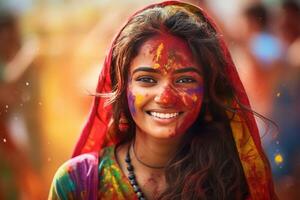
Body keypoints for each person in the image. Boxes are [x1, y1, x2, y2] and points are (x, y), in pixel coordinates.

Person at [48, 1, 277, 199]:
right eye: (147, 79)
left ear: (207, 92)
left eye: (185, 80)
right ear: (122, 86)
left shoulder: (234, 181)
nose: (165, 97)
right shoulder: (78, 183)